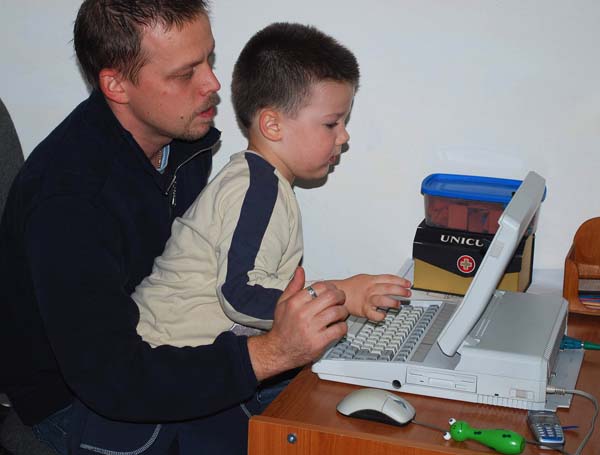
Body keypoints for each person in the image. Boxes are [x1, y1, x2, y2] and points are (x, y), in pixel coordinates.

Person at [0, 2, 353, 454]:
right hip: (83, 402)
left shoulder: (182, 144)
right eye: (186, 74)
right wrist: (271, 354)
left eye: (209, 59)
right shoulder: (70, 201)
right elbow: (113, 379)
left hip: (166, 353)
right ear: (116, 85)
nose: (212, 84)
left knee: (327, 404)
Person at [133, 24, 412, 414]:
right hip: (169, 365)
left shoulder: (261, 183)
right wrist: (340, 296)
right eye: (331, 123)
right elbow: (241, 294)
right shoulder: (257, 190)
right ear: (273, 125)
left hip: (192, 358)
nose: (343, 136)